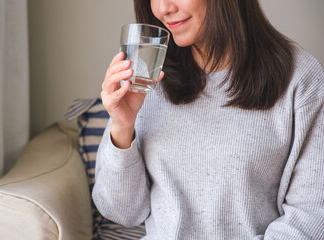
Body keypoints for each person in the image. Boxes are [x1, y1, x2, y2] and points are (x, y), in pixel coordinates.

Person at [92, 0, 324, 239]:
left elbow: (312, 215)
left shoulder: (301, 79)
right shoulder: (147, 74)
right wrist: (123, 127)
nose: (163, 8)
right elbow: (122, 213)